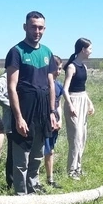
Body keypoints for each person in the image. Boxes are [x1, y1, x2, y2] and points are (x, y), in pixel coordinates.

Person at [5, 11, 58, 195]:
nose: (37, 31)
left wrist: (52, 112)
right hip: (25, 110)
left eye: (40, 27)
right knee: (22, 158)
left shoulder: (47, 52)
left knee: (37, 154)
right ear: (25, 27)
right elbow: (11, 87)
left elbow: (51, 84)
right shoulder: (16, 52)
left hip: (43, 111)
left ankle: (33, 188)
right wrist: (18, 117)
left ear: (44, 29)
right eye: (33, 26)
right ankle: (21, 195)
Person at [62, 38, 95, 180]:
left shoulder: (84, 67)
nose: (91, 51)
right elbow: (65, 89)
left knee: (82, 137)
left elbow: (83, 89)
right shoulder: (72, 67)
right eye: (90, 49)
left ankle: (78, 168)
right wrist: (70, 105)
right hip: (73, 101)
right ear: (83, 49)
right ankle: (71, 170)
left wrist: (90, 103)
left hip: (83, 100)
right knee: (75, 137)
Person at [43, 55, 64, 188]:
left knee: (51, 150)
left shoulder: (59, 86)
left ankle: (50, 179)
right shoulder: (44, 84)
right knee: (42, 151)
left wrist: (60, 119)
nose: (59, 71)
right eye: (57, 68)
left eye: (61, 68)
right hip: (44, 121)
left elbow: (59, 104)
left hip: (55, 121)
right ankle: (34, 180)